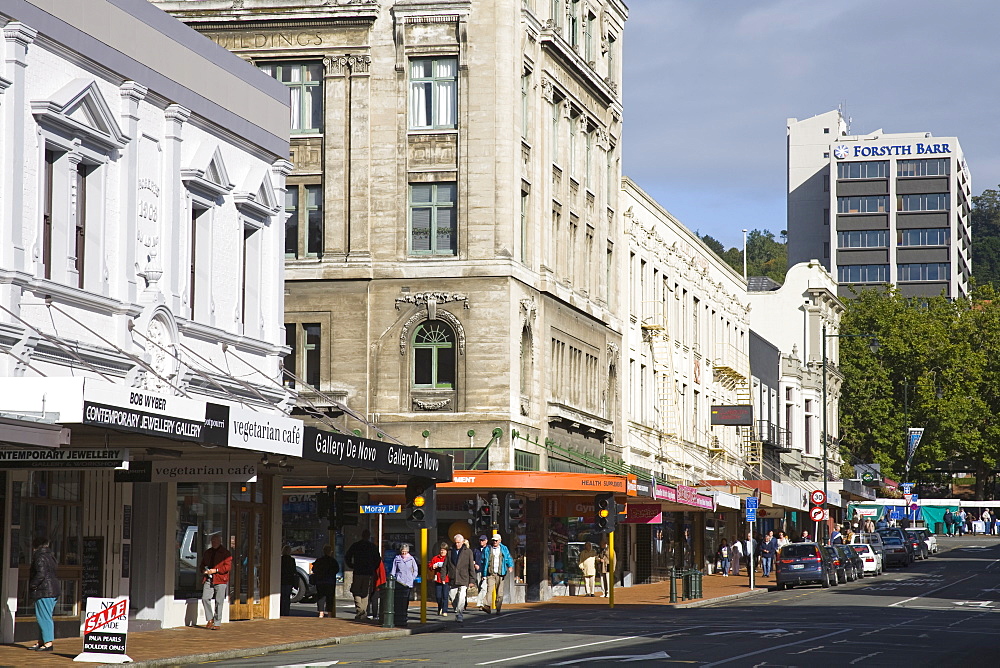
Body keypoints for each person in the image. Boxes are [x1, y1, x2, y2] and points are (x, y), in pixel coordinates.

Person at [27, 536, 60, 652]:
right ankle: (42, 641)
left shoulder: (39, 557)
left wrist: (33, 585)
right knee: (44, 616)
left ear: (35, 547)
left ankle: (48, 643)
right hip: (52, 590)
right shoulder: (50, 556)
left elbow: (41, 574)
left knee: (44, 618)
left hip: (44, 591)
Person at [345, 529, 381, 621]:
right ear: (369, 536)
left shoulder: (356, 545)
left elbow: (347, 556)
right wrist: (373, 568)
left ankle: (360, 610)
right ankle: (363, 613)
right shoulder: (372, 547)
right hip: (368, 572)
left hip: (358, 571)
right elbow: (378, 560)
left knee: (356, 591)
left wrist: (352, 565)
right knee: (365, 593)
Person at [200, 533, 231, 631]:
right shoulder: (208, 552)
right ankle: (210, 619)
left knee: (219, 601)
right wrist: (204, 570)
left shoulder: (225, 553)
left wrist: (216, 570)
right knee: (205, 598)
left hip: (221, 579)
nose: (214, 543)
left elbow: (228, 567)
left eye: (215, 541)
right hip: (208, 578)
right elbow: (202, 564)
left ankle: (217, 622)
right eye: (212, 541)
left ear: (220, 542)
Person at [445, 533, 477, 623]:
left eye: (459, 542)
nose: (457, 544)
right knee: (452, 596)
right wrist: (444, 576)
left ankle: (459, 613)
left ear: (463, 542)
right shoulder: (450, 552)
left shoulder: (468, 552)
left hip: (464, 578)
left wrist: (472, 580)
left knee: (462, 596)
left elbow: (471, 566)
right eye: (456, 542)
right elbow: (445, 565)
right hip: (453, 578)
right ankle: (456, 609)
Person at [481, 533, 514, 615]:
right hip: (490, 573)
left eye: (496, 540)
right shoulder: (487, 549)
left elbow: (508, 558)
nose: (495, 542)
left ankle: (498, 608)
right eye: (493, 540)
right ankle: (487, 606)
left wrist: (510, 566)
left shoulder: (504, 549)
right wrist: (483, 574)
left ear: (500, 541)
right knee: (489, 590)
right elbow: (483, 561)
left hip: (501, 573)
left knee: (500, 593)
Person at [390, 544, 418, 627]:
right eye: (403, 552)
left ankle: (404, 615)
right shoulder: (397, 559)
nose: (404, 553)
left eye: (405, 552)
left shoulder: (411, 559)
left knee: (405, 600)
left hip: (408, 583)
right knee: (398, 600)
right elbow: (393, 570)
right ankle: (398, 616)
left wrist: (412, 578)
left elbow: (415, 570)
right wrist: (393, 579)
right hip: (399, 582)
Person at [313, 544, 340, 618]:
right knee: (330, 597)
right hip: (330, 581)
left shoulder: (319, 560)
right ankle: (329, 613)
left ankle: (321, 612)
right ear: (330, 552)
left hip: (320, 581)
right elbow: (336, 570)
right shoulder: (333, 561)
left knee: (320, 597)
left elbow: (314, 569)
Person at [429, 542, 451, 616]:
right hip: (438, 579)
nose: (442, 552)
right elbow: (430, 566)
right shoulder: (436, 558)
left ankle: (445, 610)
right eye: (441, 550)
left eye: (444, 550)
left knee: (445, 595)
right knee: (438, 596)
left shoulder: (448, 558)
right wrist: (433, 566)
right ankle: (440, 607)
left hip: (446, 579)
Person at [280, 545, 297, 616]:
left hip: (282, 580)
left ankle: (281, 611)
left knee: (282, 597)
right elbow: (294, 571)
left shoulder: (280, 559)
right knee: (287, 597)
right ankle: (286, 612)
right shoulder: (292, 560)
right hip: (289, 580)